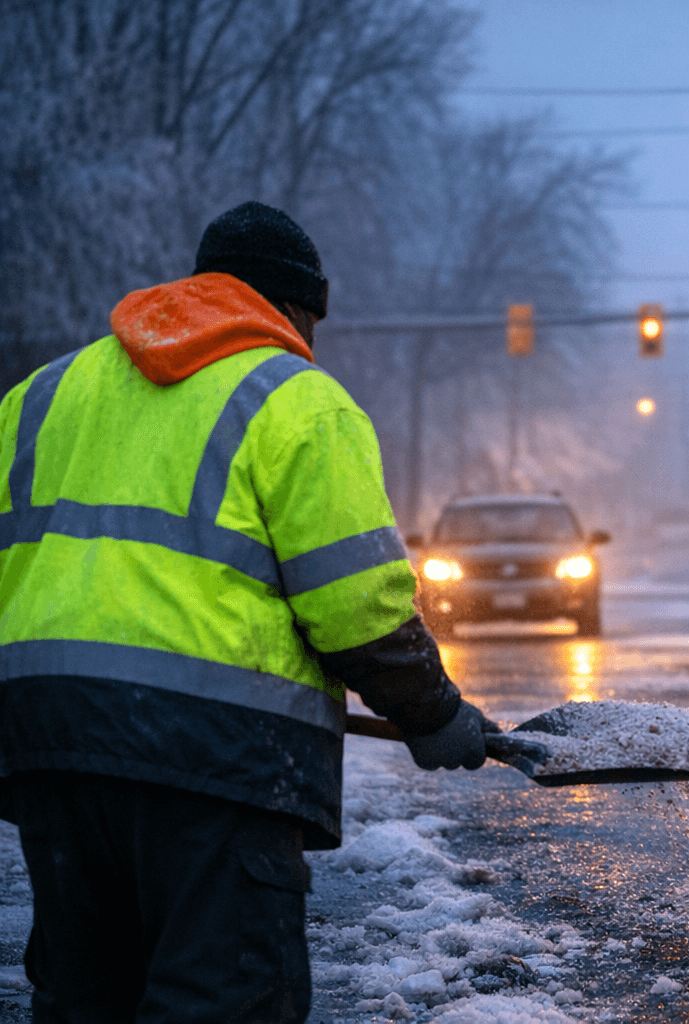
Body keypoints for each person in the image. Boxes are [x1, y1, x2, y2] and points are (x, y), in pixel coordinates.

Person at [0, 201, 500, 1023]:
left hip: (49, 748)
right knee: (221, 1000)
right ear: (293, 307)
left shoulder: (42, 394)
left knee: (88, 1001)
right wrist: (433, 712)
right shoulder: (296, 402)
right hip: (210, 760)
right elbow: (357, 610)